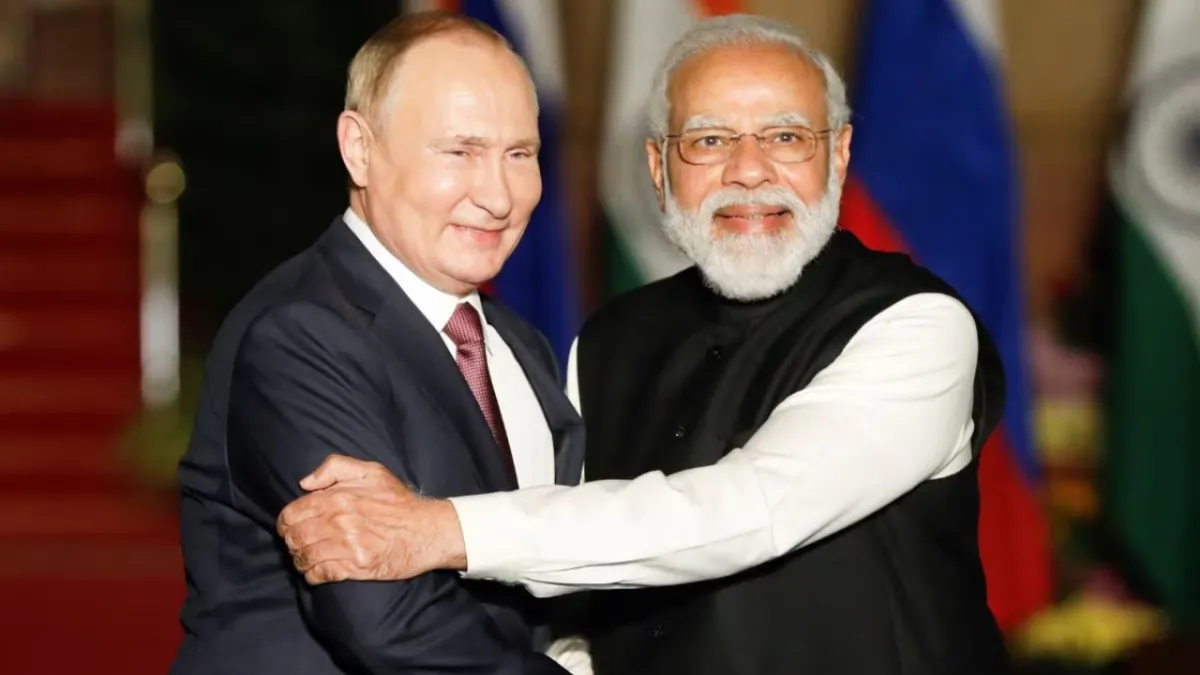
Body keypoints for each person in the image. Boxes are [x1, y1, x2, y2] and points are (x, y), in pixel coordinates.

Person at [278, 14, 1011, 675]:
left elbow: (751, 508)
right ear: (659, 169)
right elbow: (575, 588)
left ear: (840, 156)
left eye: (786, 137)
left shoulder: (919, 326)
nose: (749, 170)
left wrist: (438, 528)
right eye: (709, 141)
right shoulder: (605, 344)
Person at [170, 12, 588, 675]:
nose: (498, 195)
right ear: (359, 149)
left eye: (520, 154)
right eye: (460, 152)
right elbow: (388, 621)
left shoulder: (519, 344)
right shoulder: (299, 333)